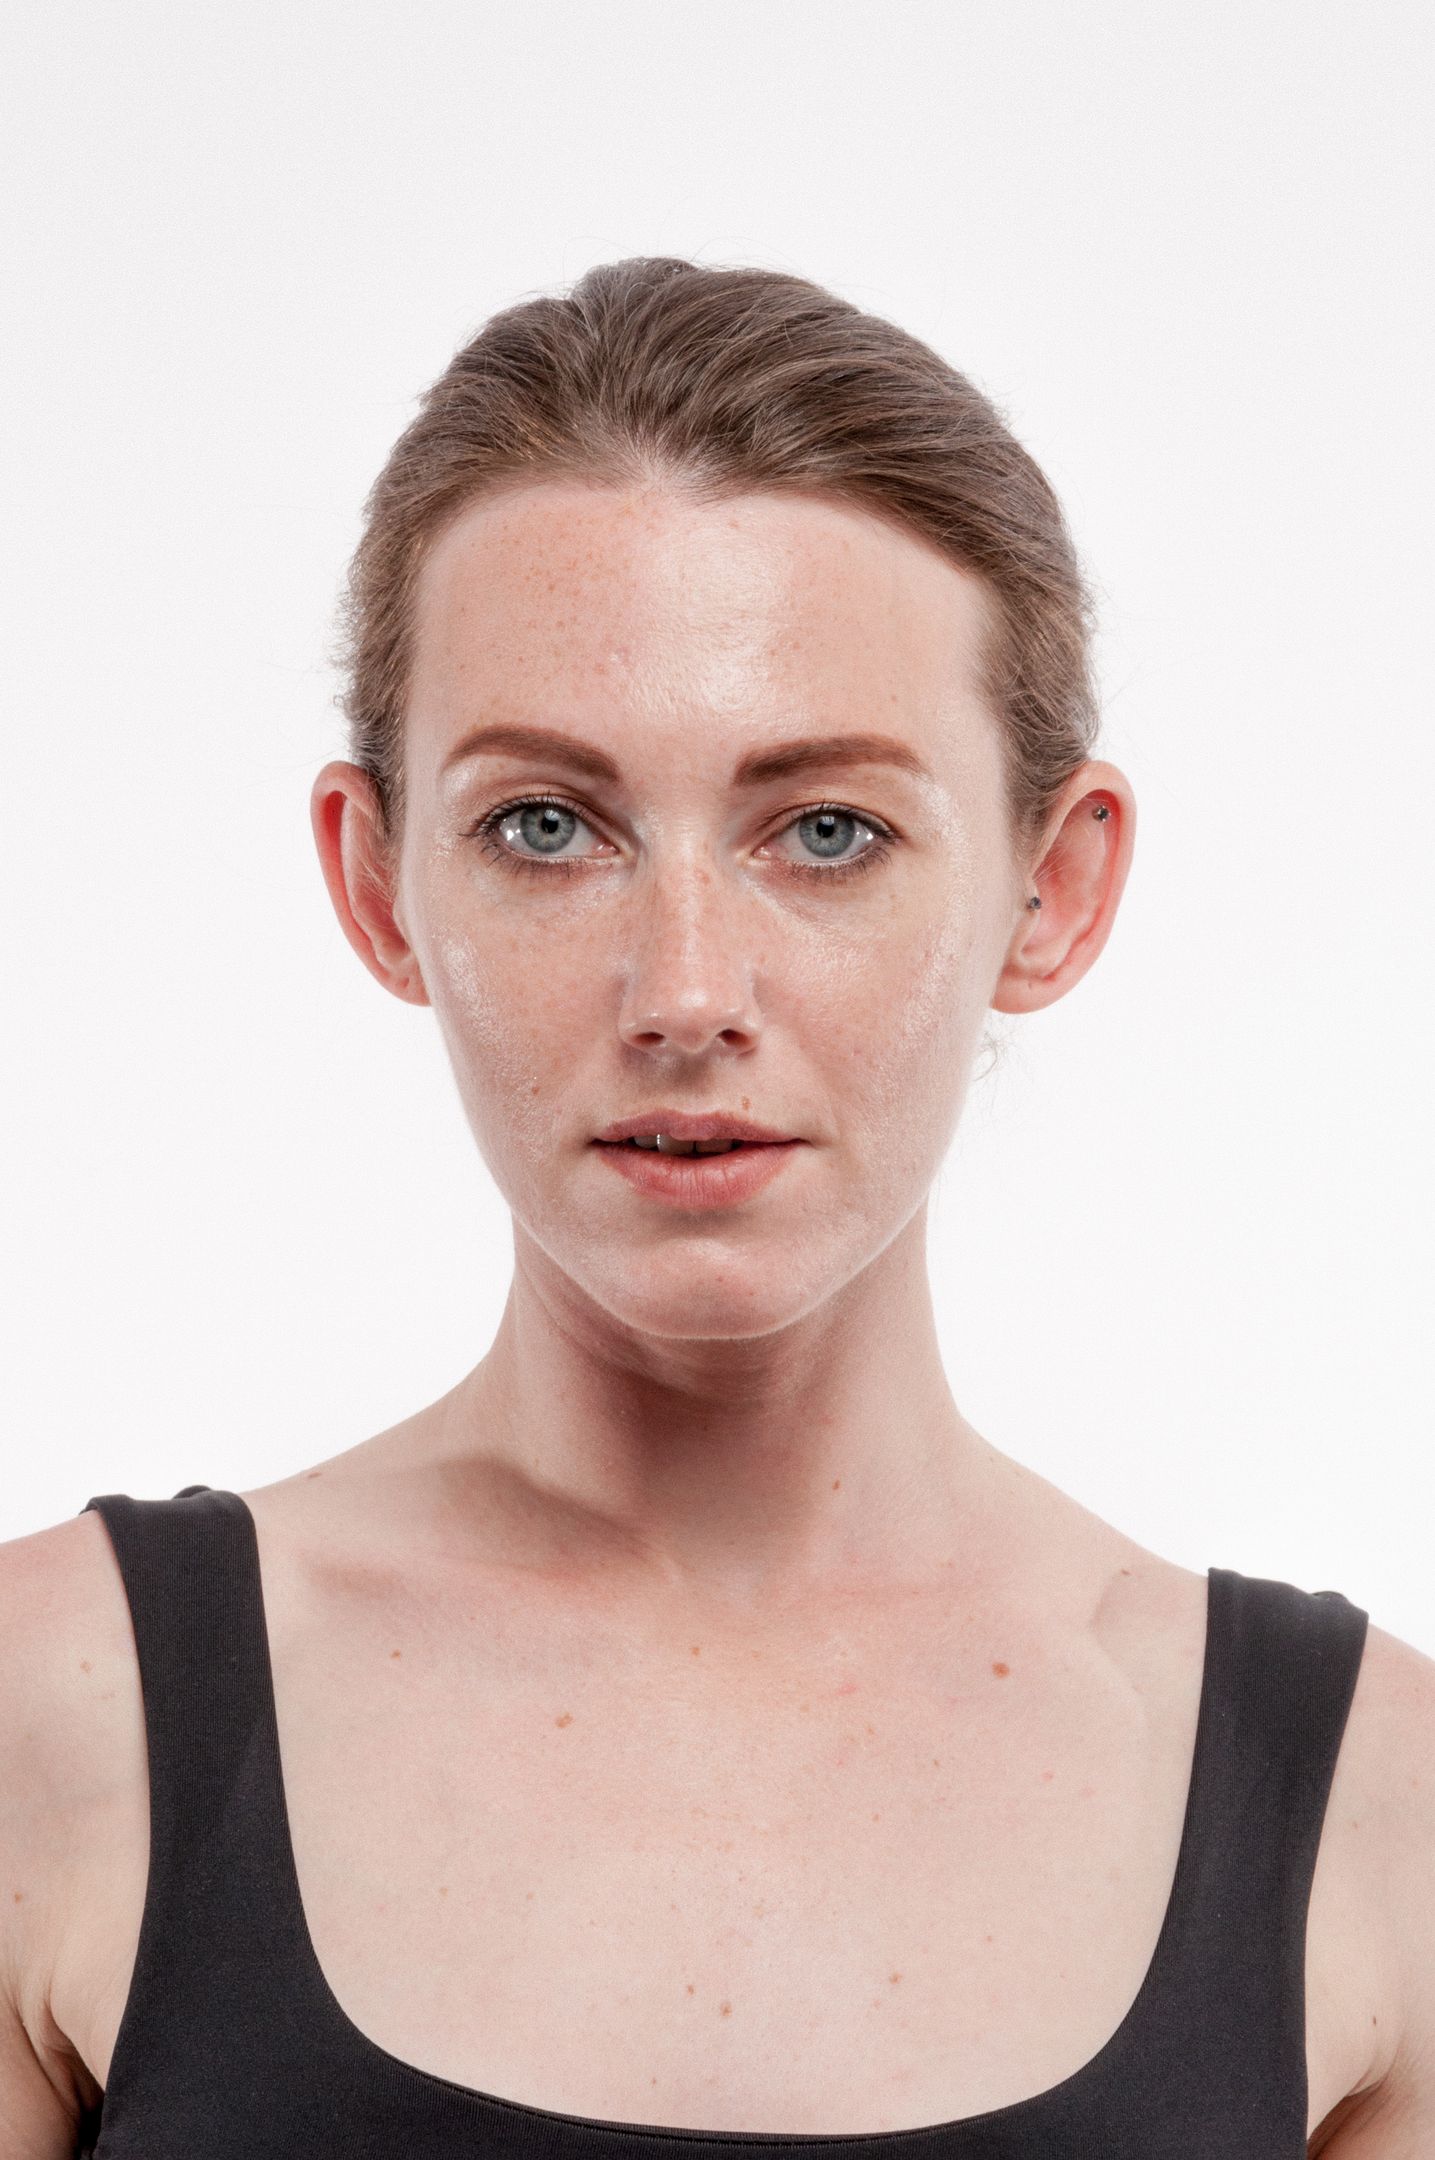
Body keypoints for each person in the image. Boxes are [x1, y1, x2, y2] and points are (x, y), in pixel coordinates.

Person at [1, 256, 1430, 2157]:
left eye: (827, 830)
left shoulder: (1379, 1824)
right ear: (375, 881)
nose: (684, 991)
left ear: (1054, 890)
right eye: (545, 827)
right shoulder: (51, 1727)